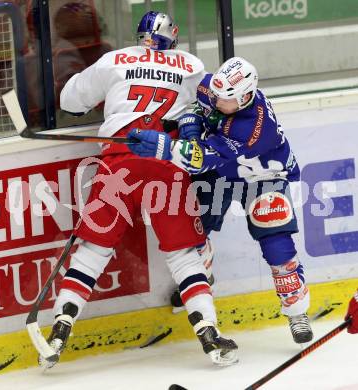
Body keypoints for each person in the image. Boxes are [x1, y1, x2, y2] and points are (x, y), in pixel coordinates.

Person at [39, 11, 238, 369]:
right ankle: (208, 332)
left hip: (119, 161)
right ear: (172, 37)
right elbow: (206, 106)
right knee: (183, 255)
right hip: (166, 162)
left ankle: (60, 326)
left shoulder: (115, 59)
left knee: (94, 249)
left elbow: (69, 101)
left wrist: (112, 94)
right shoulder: (191, 64)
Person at [127, 56, 314, 345]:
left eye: (223, 99)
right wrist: (189, 123)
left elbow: (201, 158)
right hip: (220, 172)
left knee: (276, 241)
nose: (214, 100)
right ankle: (203, 274)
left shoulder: (253, 129)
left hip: (262, 177)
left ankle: (297, 311)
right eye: (214, 94)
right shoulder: (215, 90)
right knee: (193, 226)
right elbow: (195, 108)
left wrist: (164, 146)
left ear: (246, 97)